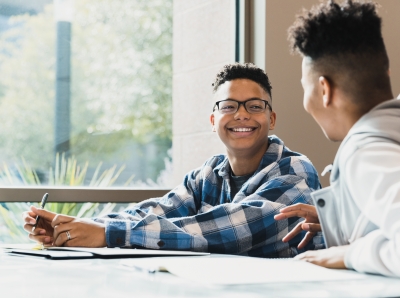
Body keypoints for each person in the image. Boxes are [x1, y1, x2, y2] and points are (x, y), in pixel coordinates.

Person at [23, 63, 322, 257]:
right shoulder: (206, 175)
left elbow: (233, 229)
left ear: (271, 118)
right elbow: (155, 211)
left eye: (254, 106)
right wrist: (78, 227)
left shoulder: (294, 170)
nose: (241, 114)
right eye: (229, 106)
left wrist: (106, 233)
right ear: (213, 119)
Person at [274, 0, 400, 276]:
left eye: (305, 88)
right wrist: (345, 215)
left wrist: (350, 253)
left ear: (324, 89)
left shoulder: (365, 150)